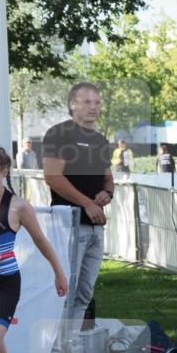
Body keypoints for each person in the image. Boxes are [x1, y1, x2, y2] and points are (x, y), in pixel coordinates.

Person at [0, 148, 69, 353]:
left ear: (3, 171)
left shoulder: (18, 207)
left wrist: (58, 271)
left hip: (5, 284)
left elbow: (41, 240)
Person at [43, 82, 113, 335]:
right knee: (65, 290)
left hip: (95, 227)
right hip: (69, 224)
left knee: (85, 293)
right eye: (87, 102)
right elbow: (52, 176)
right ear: (73, 104)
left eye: (97, 102)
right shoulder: (59, 134)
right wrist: (87, 204)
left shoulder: (101, 140)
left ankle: (69, 349)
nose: (94, 107)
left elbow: (108, 178)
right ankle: (53, 352)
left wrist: (107, 193)